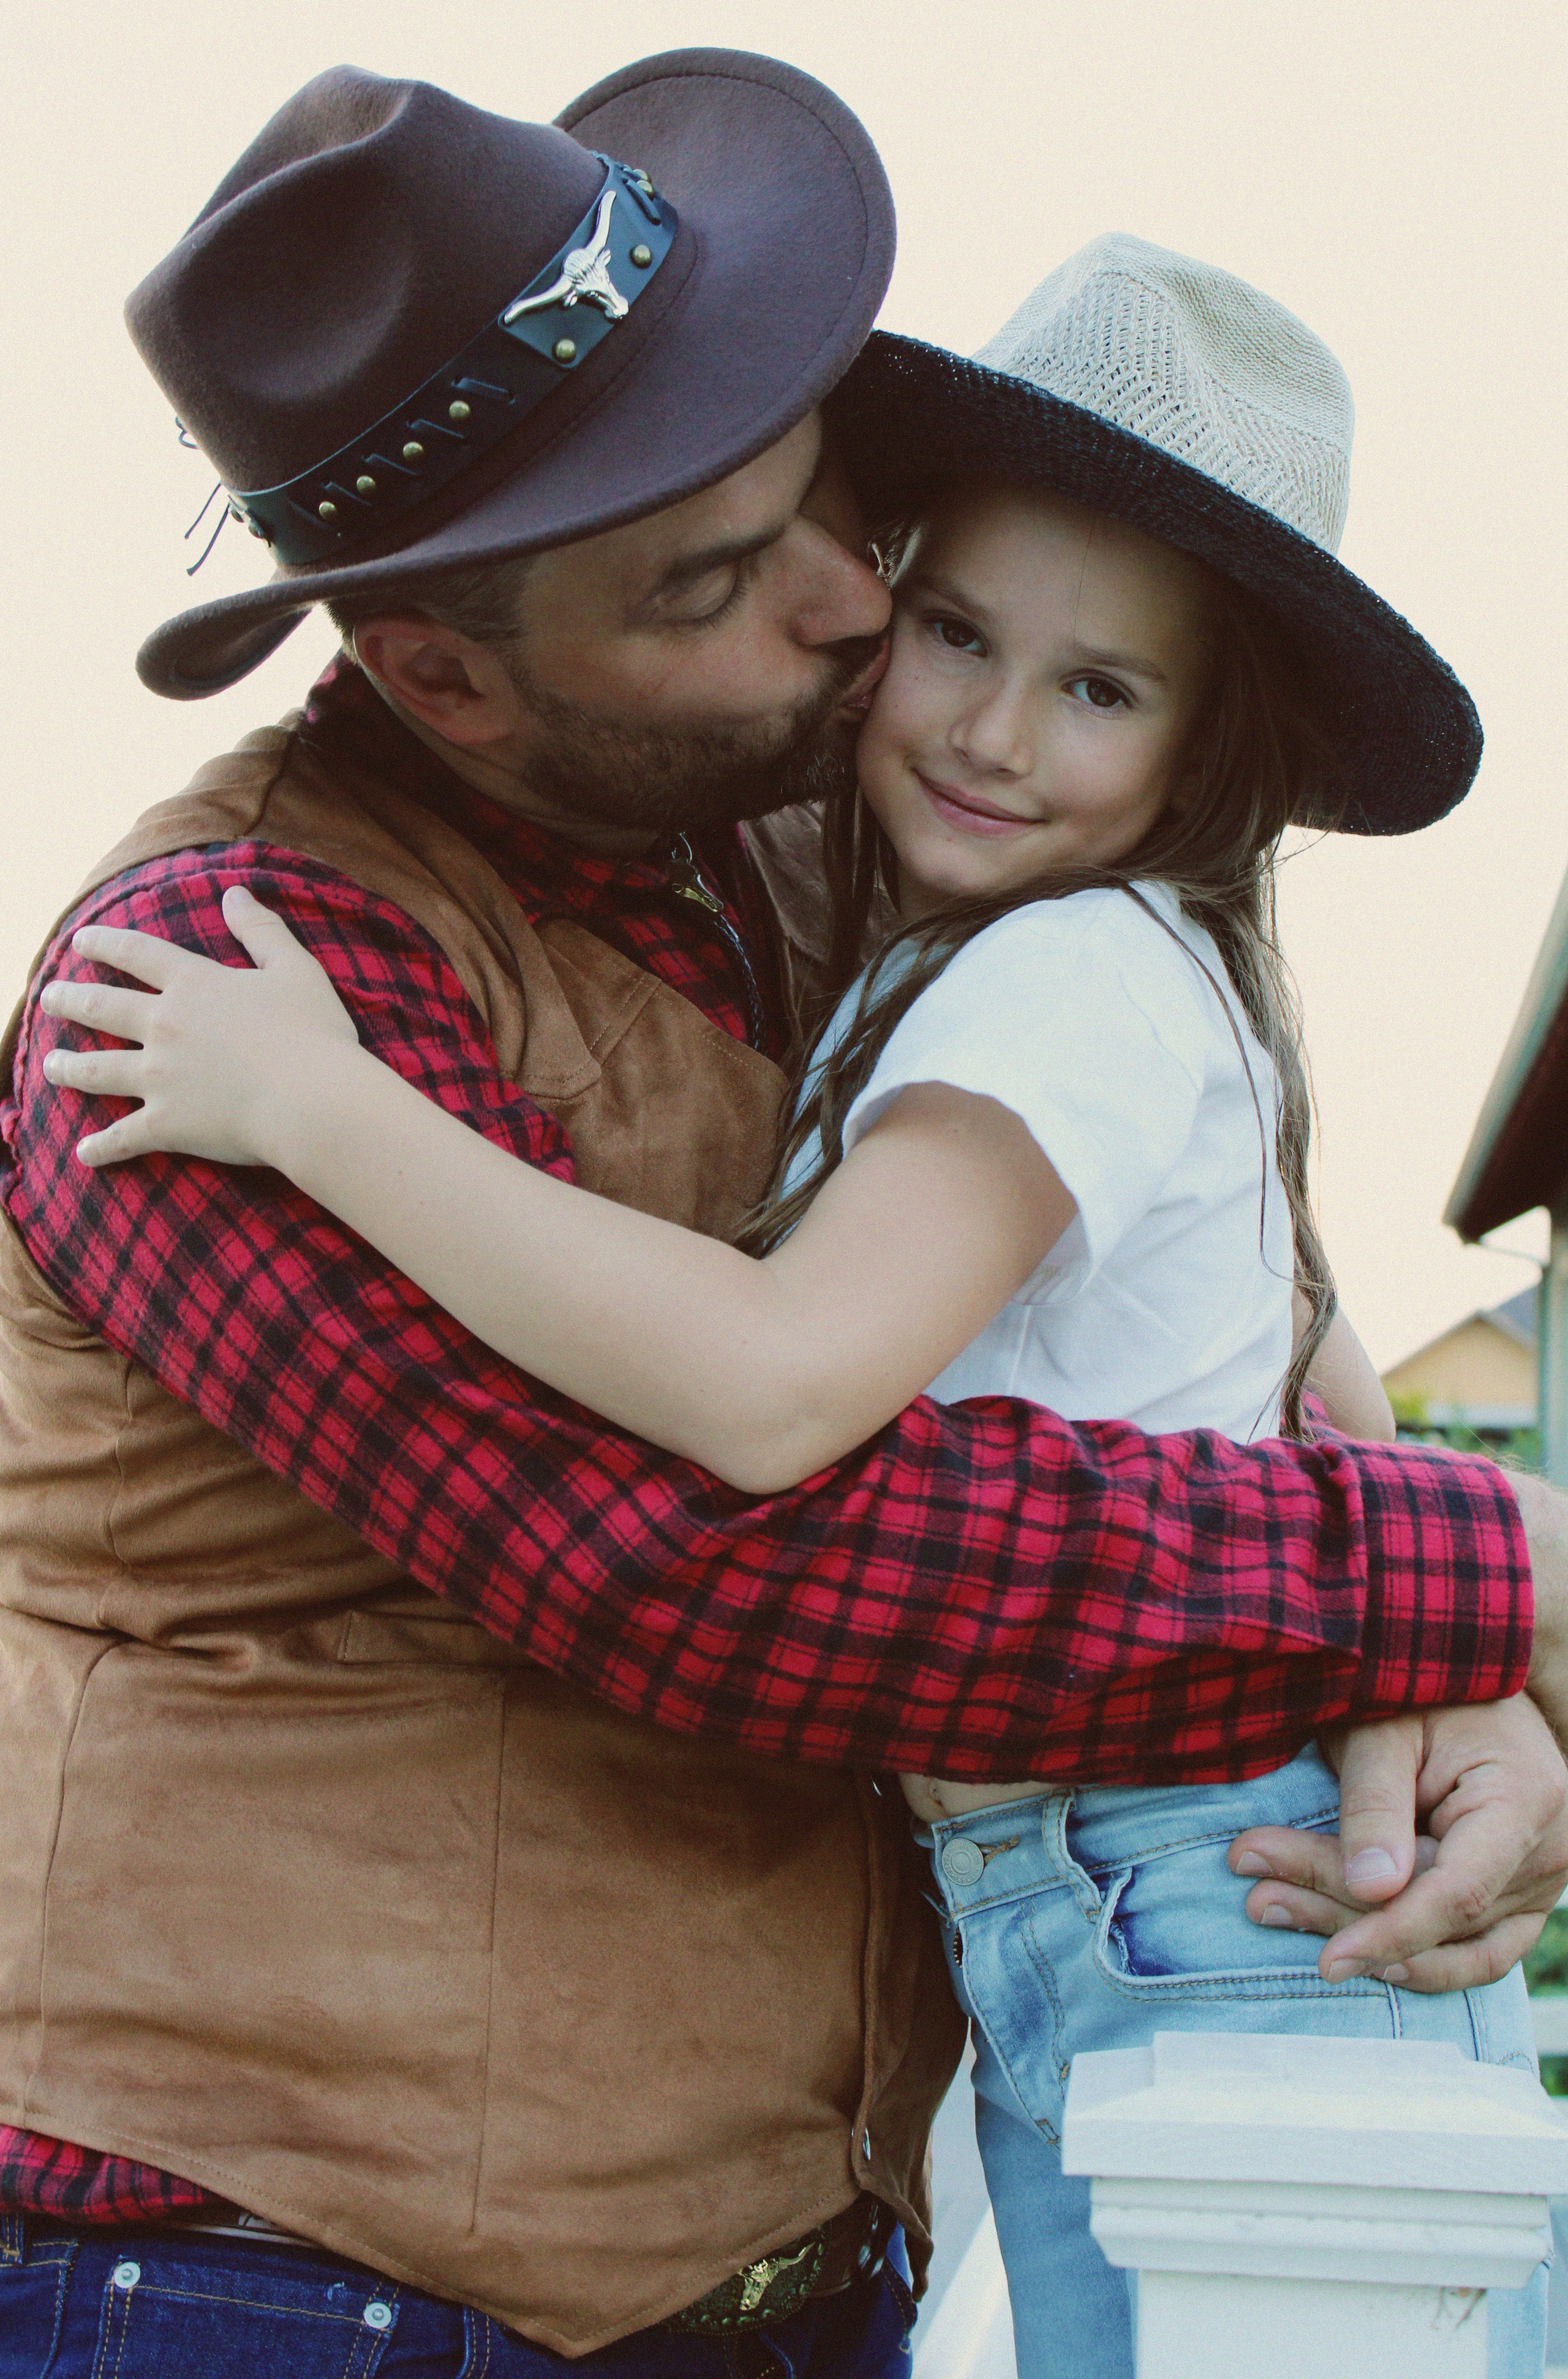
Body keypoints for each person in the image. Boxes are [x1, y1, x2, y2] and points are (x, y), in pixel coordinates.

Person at [4, 51, 1568, 2379]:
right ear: (439, 667)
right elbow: (725, 1564)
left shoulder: (876, 845)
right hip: (293, 2285)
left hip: (793, 2272)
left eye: (832, 497)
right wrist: (1481, 1564)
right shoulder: (210, 996)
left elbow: (1232, 1282)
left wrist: (1470, 1691)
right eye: (719, 577)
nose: (853, 608)